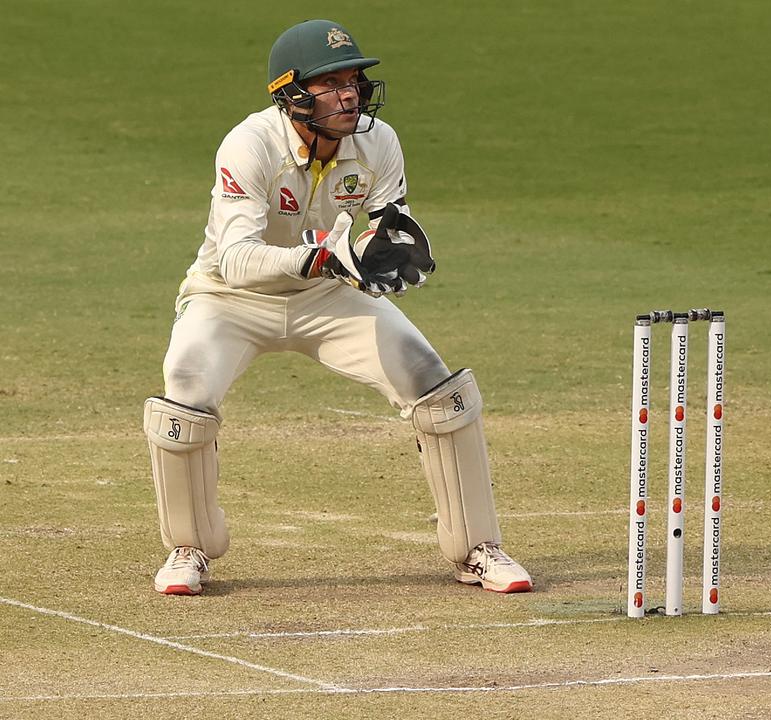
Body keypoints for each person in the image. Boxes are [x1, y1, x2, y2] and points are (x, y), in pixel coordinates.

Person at [143, 19, 532, 596]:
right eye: (332, 83)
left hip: (328, 295)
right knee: (185, 386)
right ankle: (188, 548)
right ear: (292, 93)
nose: (350, 93)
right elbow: (238, 260)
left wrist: (389, 249)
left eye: (353, 80)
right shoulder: (249, 145)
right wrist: (326, 256)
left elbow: (385, 226)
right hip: (231, 299)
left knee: (434, 383)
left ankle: (477, 547)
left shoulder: (379, 141)